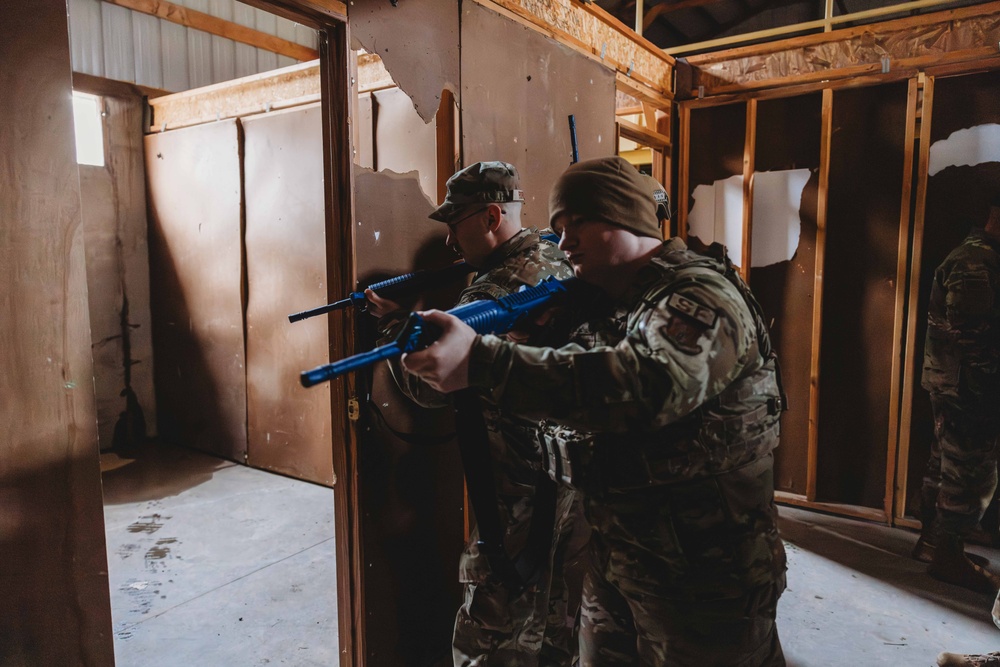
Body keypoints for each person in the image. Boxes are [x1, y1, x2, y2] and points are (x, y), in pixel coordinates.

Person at [401, 156, 787, 666]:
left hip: (705, 575)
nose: (563, 243)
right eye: (558, 228)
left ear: (624, 216)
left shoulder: (698, 292)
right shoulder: (610, 299)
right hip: (622, 556)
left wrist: (484, 361)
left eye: (578, 223)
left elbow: (648, 384)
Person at [367, 161, 586, 667]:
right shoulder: (555, 250)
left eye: (454, 223)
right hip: (570, 481)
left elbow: (431, 392)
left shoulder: (489, 293)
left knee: (489, 640)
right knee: (558, 626)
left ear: (490, 216)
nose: (448, 241)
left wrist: (392, 334)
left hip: (516, 492)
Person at [915, 196, 1000, 595]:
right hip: (970, 386)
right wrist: (988, 393)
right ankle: (948, 556)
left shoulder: (979, 258)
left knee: (944, 464)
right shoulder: (975, 263)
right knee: (971, 474)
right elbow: (972, 335)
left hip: (955, 381)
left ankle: (933, 545)